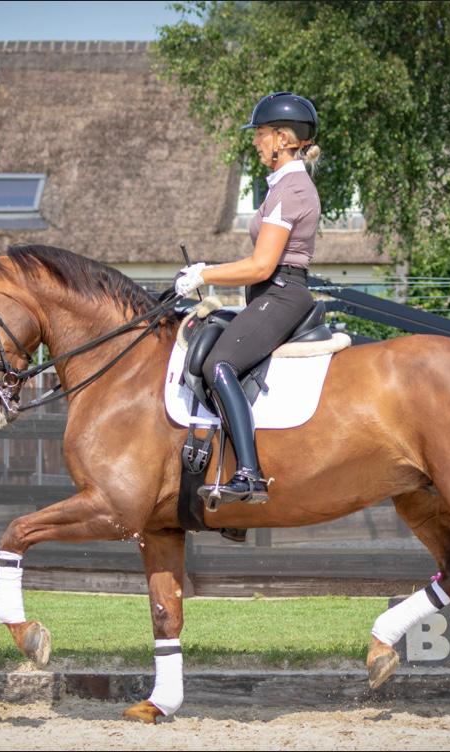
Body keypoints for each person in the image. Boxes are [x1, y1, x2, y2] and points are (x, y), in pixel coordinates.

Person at [174, 91, 322, 505]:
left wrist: (204, 273)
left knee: (220, 363)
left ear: (282, 138)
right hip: (269, 294)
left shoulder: (291, 189)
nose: (255, 142)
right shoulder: (281, 187)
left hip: (280, 292)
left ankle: (249, 474)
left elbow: (261, 265)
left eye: (260, 134)